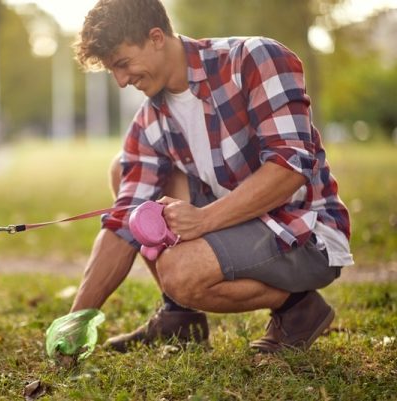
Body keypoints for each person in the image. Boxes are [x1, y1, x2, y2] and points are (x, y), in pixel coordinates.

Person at [69, 0, 353, 353]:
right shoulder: (151, 118)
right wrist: (76, 318)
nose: (122, 81)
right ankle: (180, 318)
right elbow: (126, 219)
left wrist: (204, 220)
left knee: (180, 273)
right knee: (122, 168)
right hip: (236, 221)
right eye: (114, 71)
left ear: (156, 37)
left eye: (123, 64)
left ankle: (298, 309)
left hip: (304, 229)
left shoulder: (253, 59)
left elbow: (290, 168)